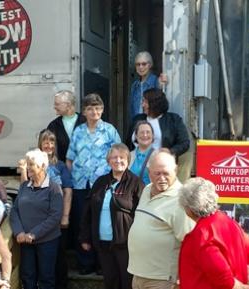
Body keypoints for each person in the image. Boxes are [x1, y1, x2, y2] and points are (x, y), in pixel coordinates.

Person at [66, 93, 121, 274]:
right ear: (84, 111)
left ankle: (101, 264)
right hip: (81, 184)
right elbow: (70, 158)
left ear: (102, 110)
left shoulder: (109, 130)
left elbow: (120, 155)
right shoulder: (78, 131)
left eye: (97, 108)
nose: (94, 111)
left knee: (101, 221)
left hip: (103, 184)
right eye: (90, 108)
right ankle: (85, 263)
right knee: (83, 222)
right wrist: (71, 181)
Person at [79, 143, 144, 289]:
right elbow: (87, 212)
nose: (118, 160)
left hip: (126, 244)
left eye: (122, 157)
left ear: (128, 160)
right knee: (110, 281)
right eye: (114, 157)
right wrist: (85, 237)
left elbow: (143, 213)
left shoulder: (136, 183)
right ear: (108, 161)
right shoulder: (100, 182)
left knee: (127, 282)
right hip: (103, 244)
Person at [127, 150, 194, 289]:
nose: (162, 178)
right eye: (157, 173)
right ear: (149, 172)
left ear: (175, 170)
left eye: (166, 173)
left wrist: (181, 278)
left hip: (163, 280)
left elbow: (189, 241)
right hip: (138, 274)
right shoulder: (146, 190)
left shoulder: (181, 199)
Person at [178, 177, 249, 289]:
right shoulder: (229, 222)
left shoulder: (202, 235)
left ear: (189, 209)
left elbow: (222, 276)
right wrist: (248, 279)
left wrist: (242, 287)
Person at [18, 130, 73, 289]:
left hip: (52, 219)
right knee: (29, 272)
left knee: (55, 264)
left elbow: (68, 191)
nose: (49, 145)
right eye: (45, 142)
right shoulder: (31, 163)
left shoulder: (60, 166)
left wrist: (65, 216)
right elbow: (24, 189)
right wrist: (23, 170)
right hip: (32, 223)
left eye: (52, 142)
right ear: (40, 144)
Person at [10, 149, 63, 289]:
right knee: (27, 277)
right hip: (26, 242)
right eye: (27, 164)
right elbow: (14, 211)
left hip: (47, 242)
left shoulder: (54, 188)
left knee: (46, 278)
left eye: (31, 164)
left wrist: (34, 234)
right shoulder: (24, 187)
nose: (27, 168)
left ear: (42, 167)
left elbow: (55, 216)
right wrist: (19, 232)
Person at [126, 88, 191, 181]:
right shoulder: (137, 119)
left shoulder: (173, 120)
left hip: (160, 167)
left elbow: (185, 143)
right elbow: (128, 144)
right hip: (135, 167)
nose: (142, 105)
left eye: (145, 102)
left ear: (154, 104)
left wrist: (170, 151)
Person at [47, 90, 86, 162]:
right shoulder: (53, 125)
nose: (54, 107)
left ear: (68, 105)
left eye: (57, 104)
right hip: (62, 170)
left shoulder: (86, 122)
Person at [129, 51, 165, 120]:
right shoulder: (134, 85)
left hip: (152, 122)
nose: (141, 67)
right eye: (138, 64)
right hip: (137, 123)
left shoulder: (156, 81)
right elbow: (132, 110)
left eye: (144, 64)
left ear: (150, 65)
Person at [129, 120, 155, 185]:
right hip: (132, 194)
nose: (145, 135)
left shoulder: (158, 156)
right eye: (142, 132)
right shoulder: (129, 155)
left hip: (150, 194)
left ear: (153, 135)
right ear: (136, 136)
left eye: (148, 132)